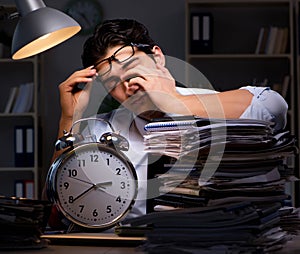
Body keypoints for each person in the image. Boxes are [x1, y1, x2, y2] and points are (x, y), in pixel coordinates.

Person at [45, 18, 288, 229]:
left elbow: (272, 106)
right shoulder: (102, 131)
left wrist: (170, 102)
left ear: (157, 57)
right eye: (112, 82)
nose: (128, 84)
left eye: (131, 67)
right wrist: (69, 117)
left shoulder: (216, 105)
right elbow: (58, 206)